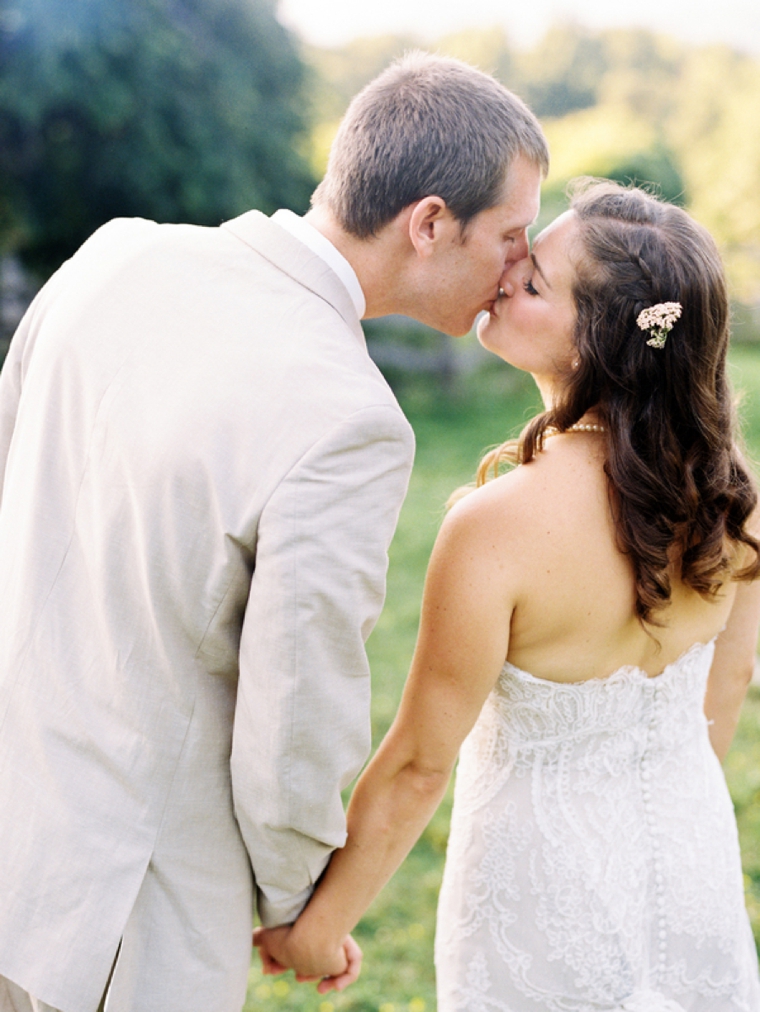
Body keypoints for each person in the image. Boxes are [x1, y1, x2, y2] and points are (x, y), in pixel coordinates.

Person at [0, 52, 549, 1012]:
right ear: (429, 223)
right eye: (510, 235)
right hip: (126, 921)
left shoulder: (114, 255)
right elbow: (297, 715)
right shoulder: (350, 419)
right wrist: (305, 907)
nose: (518, 268)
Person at [254, 180, 760, 1011]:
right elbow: (724, 690)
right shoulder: (734, 501)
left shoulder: (495, 526)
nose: (505, 273)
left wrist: (318, 926)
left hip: (540, 900)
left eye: (532, 281)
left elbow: (421, 762)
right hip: (689, 867)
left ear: (599, 343)